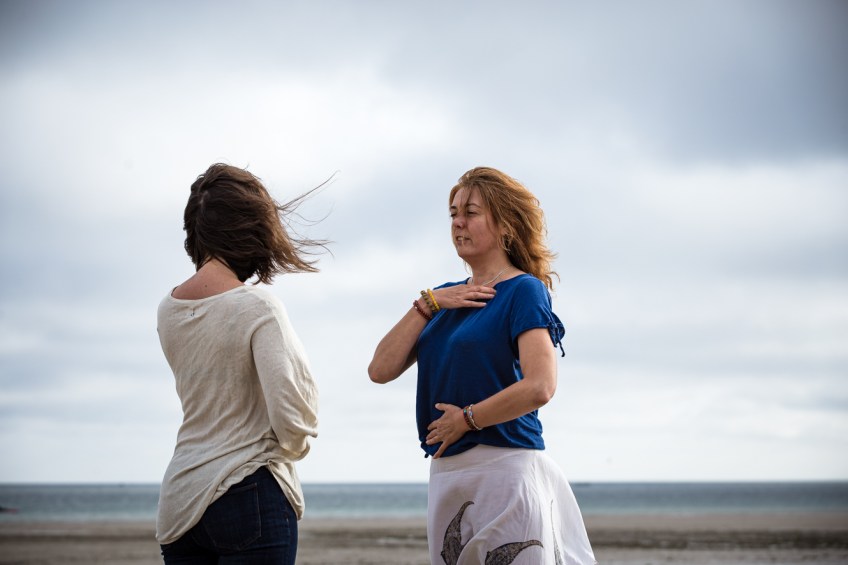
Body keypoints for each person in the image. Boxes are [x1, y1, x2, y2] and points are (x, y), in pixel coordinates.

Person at [369, 167, 596, 564]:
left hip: (504, 469)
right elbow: (380, 370)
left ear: (505, 225)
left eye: (471, 212)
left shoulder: (524, 291)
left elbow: (540, 385)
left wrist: (467, 420)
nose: (458, 222)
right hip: (447, 475)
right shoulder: (443, 299)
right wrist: (428, 303)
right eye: (453, 213)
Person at [156, 163, 325, 564]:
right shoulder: (258, 306)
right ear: (251, 229)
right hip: (249, 492)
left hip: (180, 502)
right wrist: (294, 449)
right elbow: (292, 416)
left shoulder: (168, 309)